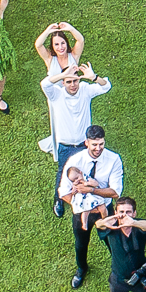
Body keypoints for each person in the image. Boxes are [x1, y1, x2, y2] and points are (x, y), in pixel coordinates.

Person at [41, 62, 110, 214]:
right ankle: (58, 199)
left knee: (88, 171)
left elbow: (106, 86)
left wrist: (94, 77)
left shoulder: (85, 90)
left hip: (83, 144)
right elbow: (45, 84)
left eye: (75, 80)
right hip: (65, 145)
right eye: (69, 81)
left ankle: (89, 198)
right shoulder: (56, 94)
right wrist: (63, 75)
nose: (73, 85)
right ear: (63, 82)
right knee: (63, 172)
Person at [61, 126, 124, 289]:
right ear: (86, 143)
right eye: (94, 145)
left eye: (101, 144)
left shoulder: (113, 159)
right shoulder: (74, 162)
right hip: (83, 211)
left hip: (105, 211)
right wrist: (81, 206)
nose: (98, 148)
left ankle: (122, 268)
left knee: (113, 240)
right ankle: (82, 269)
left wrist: (92, 191)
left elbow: (116, 192)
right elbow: (63, 192)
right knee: (81, 243)